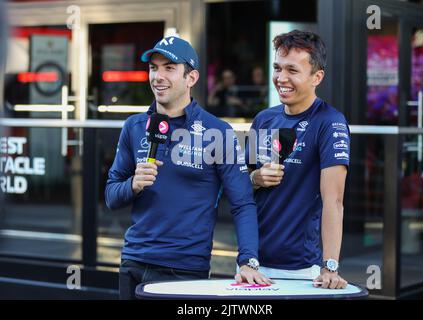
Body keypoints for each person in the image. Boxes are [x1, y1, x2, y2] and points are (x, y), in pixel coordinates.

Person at [105, 36, 271, 299]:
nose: (158, 76)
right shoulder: (134, 126)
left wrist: (247, 260)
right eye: (154, 68)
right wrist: (133, 185)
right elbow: (111, 196)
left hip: (183, 270)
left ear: (191, 78)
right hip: (133, 262)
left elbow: (242, 203)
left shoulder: (218, 132)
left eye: (169, 68)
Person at [246, 30, 350, 289]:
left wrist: (330, 266)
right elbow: (240, 187)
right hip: (251, 264)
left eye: (292, 70)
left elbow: (334, 201)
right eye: (277, 68)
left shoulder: (330, 121)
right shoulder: (264, 119)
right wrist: (255, 178)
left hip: (301, 270)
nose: (281, 78)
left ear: (317, 77)